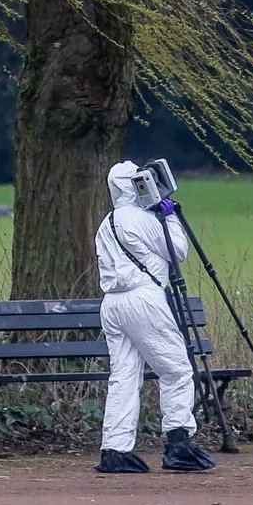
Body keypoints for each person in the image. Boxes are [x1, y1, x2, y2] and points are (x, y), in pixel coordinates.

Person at [93, 160, 216, 473]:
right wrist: (170, 216)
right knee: (175, 369)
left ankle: (115, 449)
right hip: (142, 300)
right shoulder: (141, 219)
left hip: (112, 304)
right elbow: (178, 251)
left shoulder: (106, 223)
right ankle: (178, 441)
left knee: (124, 376)